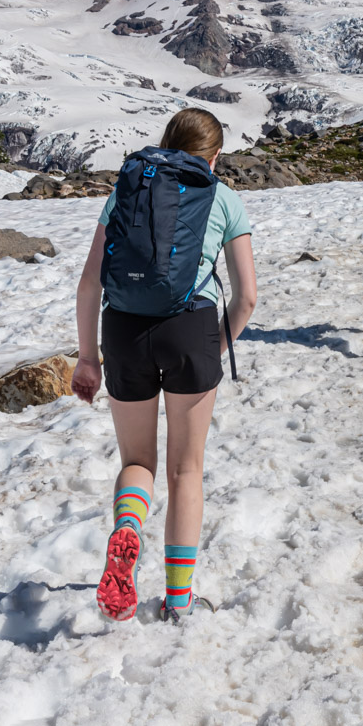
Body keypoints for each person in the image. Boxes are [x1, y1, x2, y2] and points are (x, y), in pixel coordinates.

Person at [72, 108, 258, 623]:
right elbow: (246, 299)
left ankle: (127, 529)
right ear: (214, 156)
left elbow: (90, 283)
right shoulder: (223, 198)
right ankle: (178, 601)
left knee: (138, 462)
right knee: (186, 469)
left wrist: (89, 357)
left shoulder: (126, 191)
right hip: (191, 330)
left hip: (124, 329)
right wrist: (212, 349)